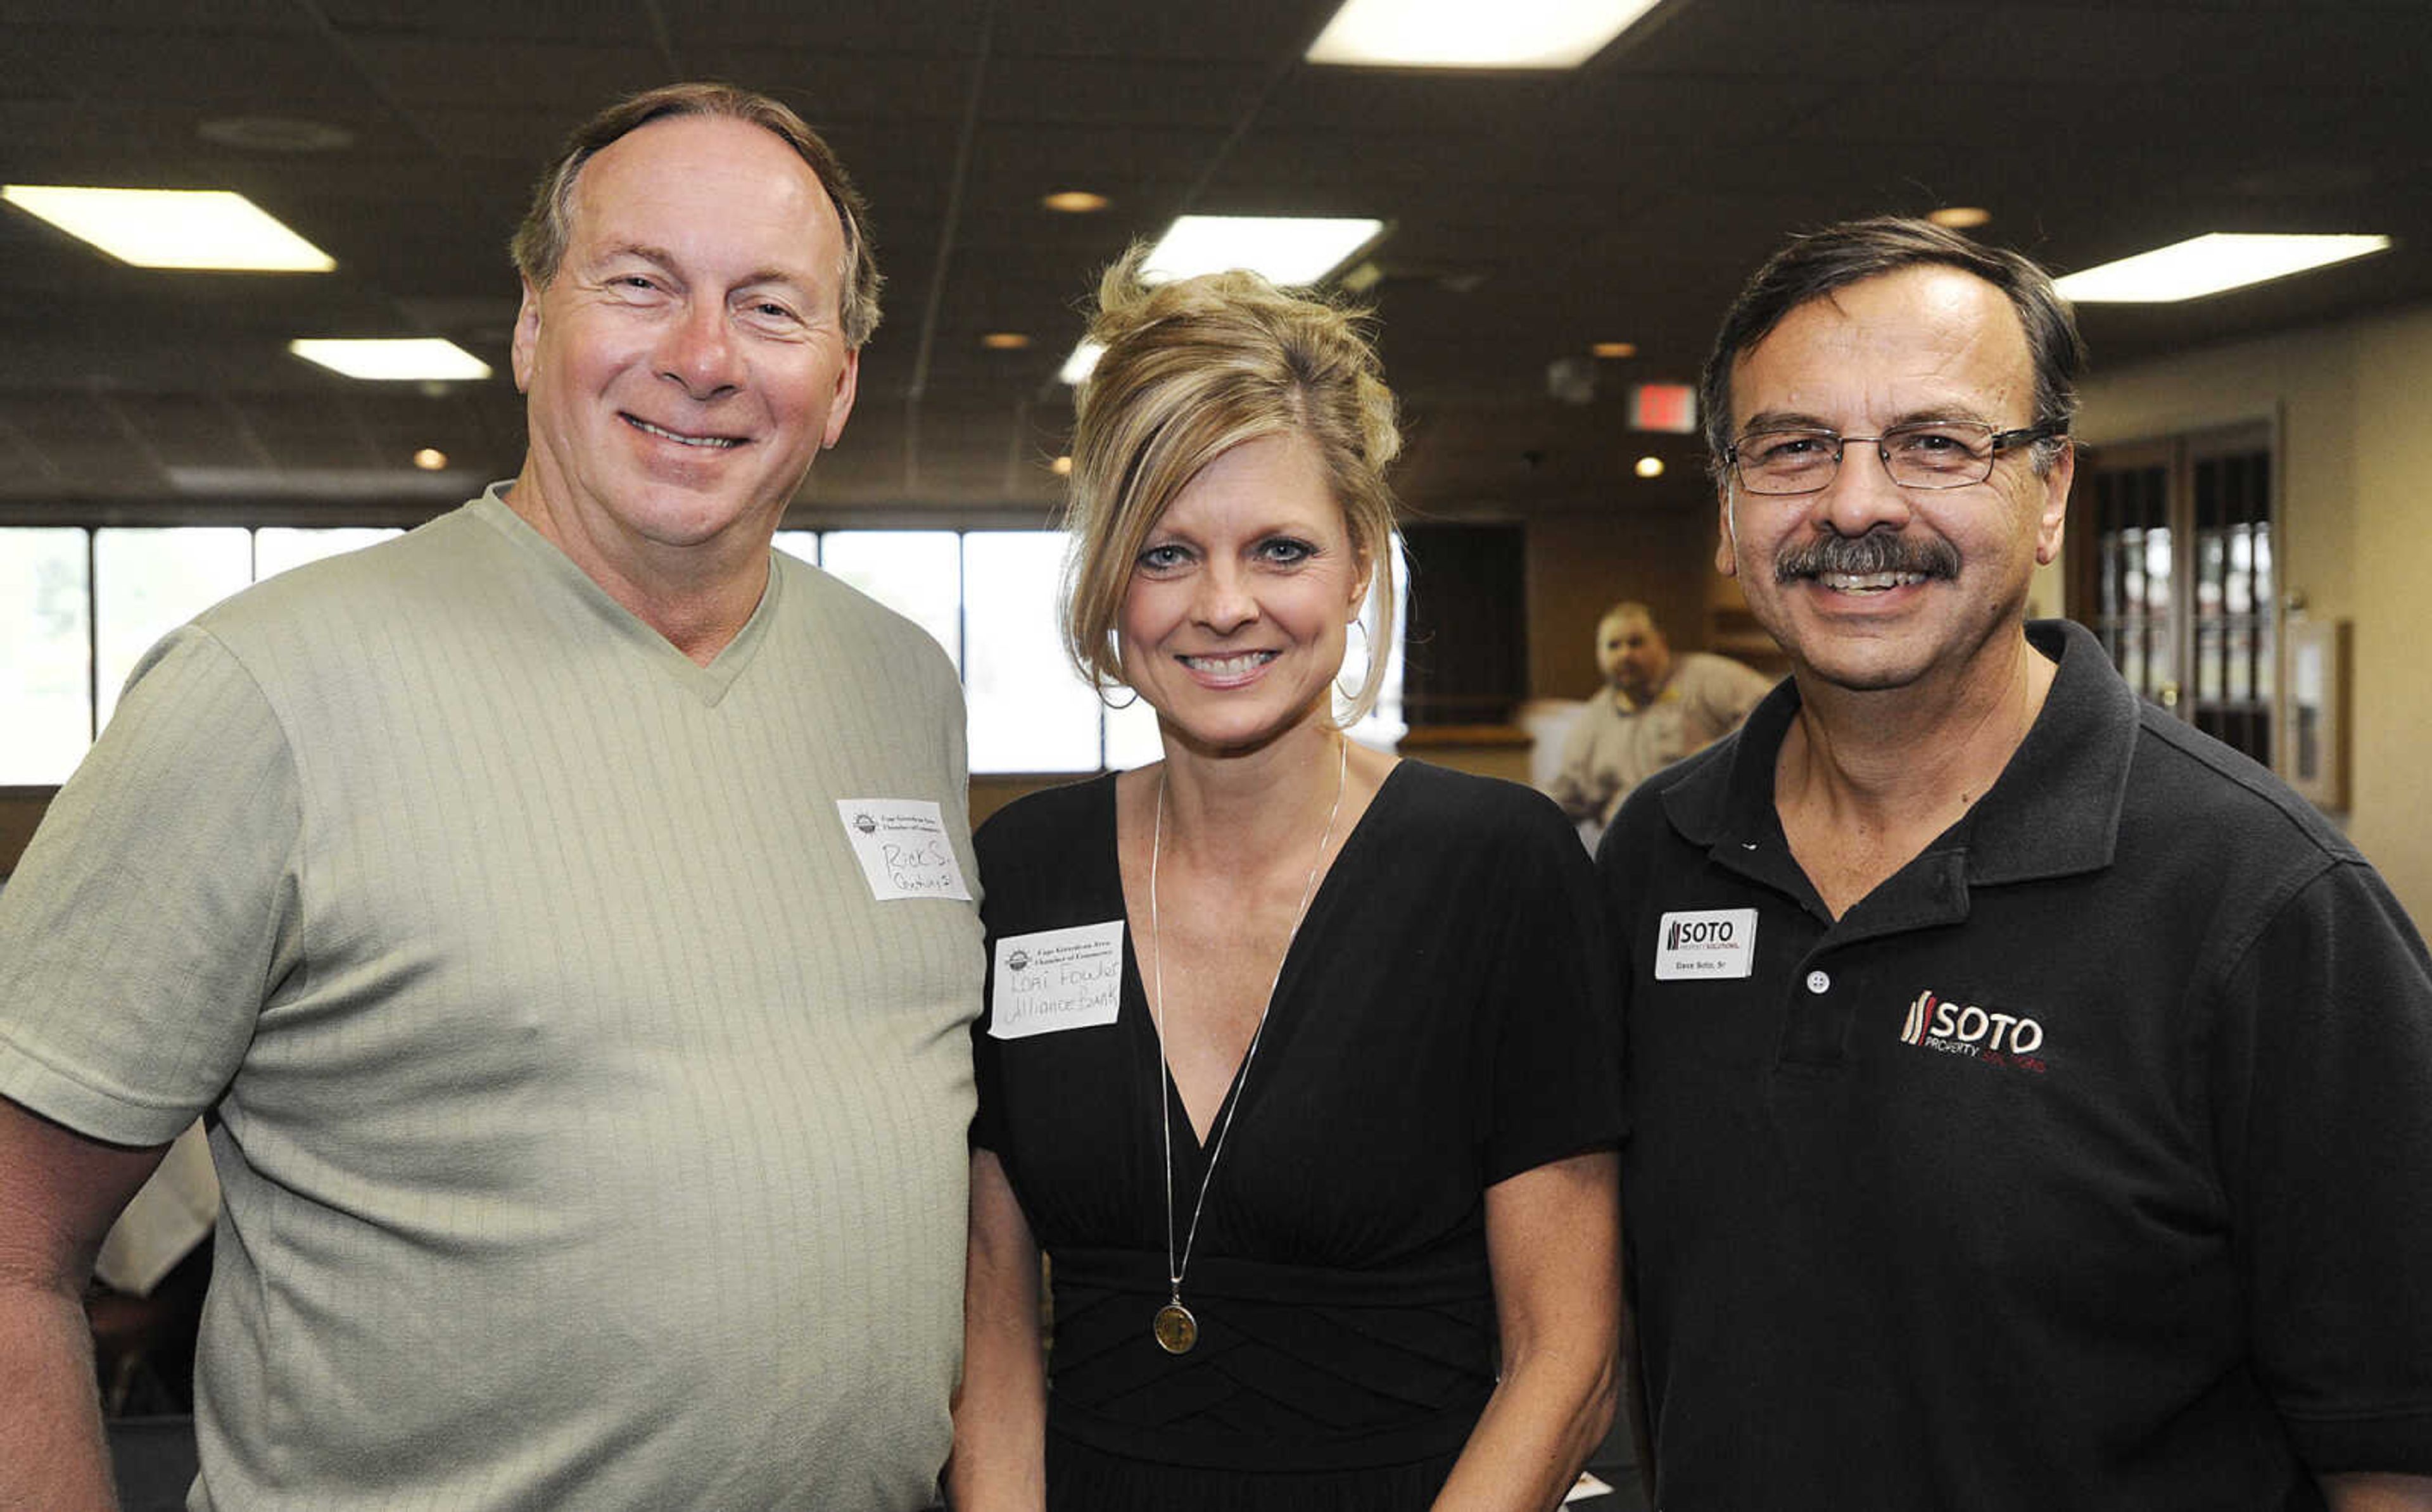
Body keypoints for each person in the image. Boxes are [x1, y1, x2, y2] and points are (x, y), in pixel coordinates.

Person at [0, 84, 985, 1509]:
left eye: (772, 308)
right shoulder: (265, 691)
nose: (704, 357)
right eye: (641, 284)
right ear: (535, 326)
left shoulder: (902, 688)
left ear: (838, 381)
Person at [1599, 216, 2432, 1510]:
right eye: (1792, 449)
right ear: (1726, 504)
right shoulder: (1653, 862)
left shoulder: (2269, 911)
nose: (1858, 504)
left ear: (2050, 492)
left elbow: (2394, 1453)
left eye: (1937, 445)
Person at [948, 251, 1624, 1509]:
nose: (1222, 606)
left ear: (1359, 563)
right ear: (1106, 578)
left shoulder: (1497, 868)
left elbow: (1566, 1355)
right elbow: (992, 1332)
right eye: (1164, 554)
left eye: (1279, 548)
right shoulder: (1025, 873)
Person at [1543, 601, 1771, 847]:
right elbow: (1564, 798)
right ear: (1599, 654)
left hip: (1705, 842)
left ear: (1661, 642)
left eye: (1636, 643)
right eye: (1614, 646)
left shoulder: (1707, 678)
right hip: (1627, 850)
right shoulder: (1593, 721)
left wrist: (1714, 758)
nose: (1625, 654)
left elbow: (1771, 713)